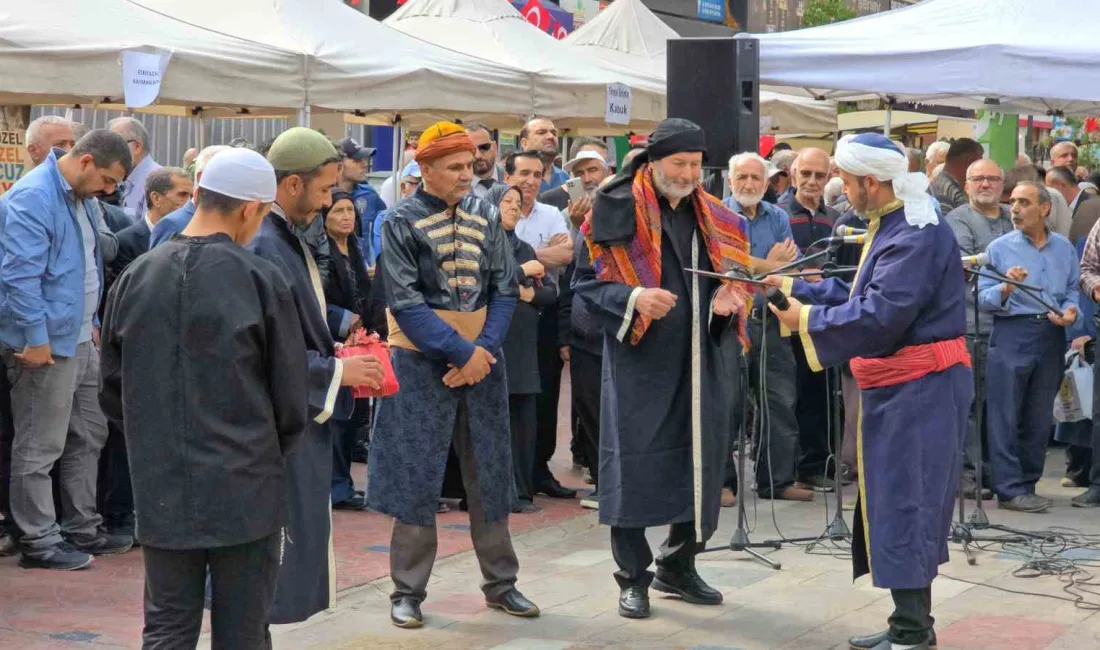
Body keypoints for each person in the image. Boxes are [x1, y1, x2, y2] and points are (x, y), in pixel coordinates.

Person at [767, 132, 972, 650]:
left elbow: (881, 315)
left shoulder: (916, 235)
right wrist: (786, 286)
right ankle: (908, 624)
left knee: (909, 501)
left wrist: (806, 320)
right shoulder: (896, 222)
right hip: (905, 387)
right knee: (898, 499)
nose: (840, 186)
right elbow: (860, 291)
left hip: (921, 388)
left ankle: (912, 631)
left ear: (871, 183)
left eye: (846, 179)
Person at [99, 148, 309, 649]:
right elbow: (291, 398)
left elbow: (113, 386)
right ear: (251, 209)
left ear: (196, 197)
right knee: (242, 628)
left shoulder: (136, 276)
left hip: (162, 480)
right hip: (245, 481)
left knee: (168, 625)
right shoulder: (260, 279)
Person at [573, 118, 751, 620]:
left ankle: (679, 564)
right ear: (653, 163)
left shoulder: (716, 216)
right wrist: (632, 296)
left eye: (696, 165)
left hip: (703, 357)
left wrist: (729, 299)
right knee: (634, 463)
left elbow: (733, 274)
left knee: (703, 460)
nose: (690, 174)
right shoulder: (614, 208)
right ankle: (633, 577)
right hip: (640, 362)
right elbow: (584, 293)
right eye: (680, 164)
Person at [368, 122, 539, 628]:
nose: (469, 175)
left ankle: (501, 583)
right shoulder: (398, 220)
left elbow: (506, 289)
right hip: (420, 362)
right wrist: (462, 352)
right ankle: (407, 591)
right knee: (417, 474)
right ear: (426, 169)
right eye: (456, 167)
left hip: (482, 360)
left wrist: (482, 351)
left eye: (471, 165)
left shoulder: (488, 215)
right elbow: (404, 301)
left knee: (490, 470)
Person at [248, 127, 385, 625]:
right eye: (325, 190)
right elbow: (264, 348)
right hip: (282, 418)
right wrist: (336, 371)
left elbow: (299, 311)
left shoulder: (283, 236)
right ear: (291, 186)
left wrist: (339, 332)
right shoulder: (265, 243)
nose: (330, 202)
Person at [0, 129, 133, 570]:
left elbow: (90, 261)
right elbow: (19, 276)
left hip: (78, 336)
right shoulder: (34, 197)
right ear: (87, 160)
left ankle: (81, 527)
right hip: (46, 343)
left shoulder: (83, 197)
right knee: (40, 444)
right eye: (108, 180)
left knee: (89, 434)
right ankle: (38, 541)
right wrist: (36, 340)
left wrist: (92, 322)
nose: (109, 191)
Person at [979, 181, 1079, 513]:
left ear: (1045, 208)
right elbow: (982, 297)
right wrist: (1006, 288)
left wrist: (1070, 312)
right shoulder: (999, 248)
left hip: (1051, 335)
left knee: (1039, 415)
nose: (1015, 209)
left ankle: (1028, 482)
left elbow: (1071, 291)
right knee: (1005, 413)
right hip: (1012, 332)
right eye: (1013, 202)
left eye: (1024, 202)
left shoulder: (1064, 248)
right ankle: (1008, 489)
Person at [724, 152, 811, 503]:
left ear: (766, 182)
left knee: (779, 400)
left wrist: (758, 268)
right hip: (731, 322)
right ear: (730, 181)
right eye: (742, 177)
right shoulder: (718, 214)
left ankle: (776, 480)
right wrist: (766, 264)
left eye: (755, 178)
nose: (748, 184)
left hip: (772, 319)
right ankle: (722, 484)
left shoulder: (777, 216)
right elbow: (727, 262)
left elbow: (790, 267)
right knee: (727, 404)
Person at [944, 159, 1012, 501]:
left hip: (1009, 328)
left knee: (999, 406)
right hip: (972, 326)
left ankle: (996, 472)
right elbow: (966, 269)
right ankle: (968, 475)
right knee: (969, 405)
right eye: (978, 179)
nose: (985, 184)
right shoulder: (957, 221)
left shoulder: (1013, 218)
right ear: (966, 185)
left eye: (992, 179)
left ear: (1003, 185)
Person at [320, 189, 384, 511]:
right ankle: (335, 487)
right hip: (332, 341)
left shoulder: (355, 246)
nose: (346, 216)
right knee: (337, 416)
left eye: (349, 211)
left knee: (354, 415)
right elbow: (315, 297)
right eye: (338, 211)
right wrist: (348, 320)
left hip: (359, 341)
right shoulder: (320, 249)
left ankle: (343, 485)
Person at [496, 185, 554, 513]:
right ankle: (497, 492)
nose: (514, 208)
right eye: (506, 201)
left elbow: (550, 293)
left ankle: (521, 491)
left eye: (518, 204)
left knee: (524, 423)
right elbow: (483, 283)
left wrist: (527, 294)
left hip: (524, 348)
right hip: (493, 345)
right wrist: (521, 274)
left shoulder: (525, 247)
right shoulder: (482, 244)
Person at [149, 145, 231, 248]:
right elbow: (160, 262)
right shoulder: (172, 225)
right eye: (229, 177)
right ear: (202, 177)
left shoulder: (240, 220)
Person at [108, 117, 162, 219]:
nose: (109, 152)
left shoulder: (157, 181)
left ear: (137, 147)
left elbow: (149, 232)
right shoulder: (122, 177)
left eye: (115, 145)